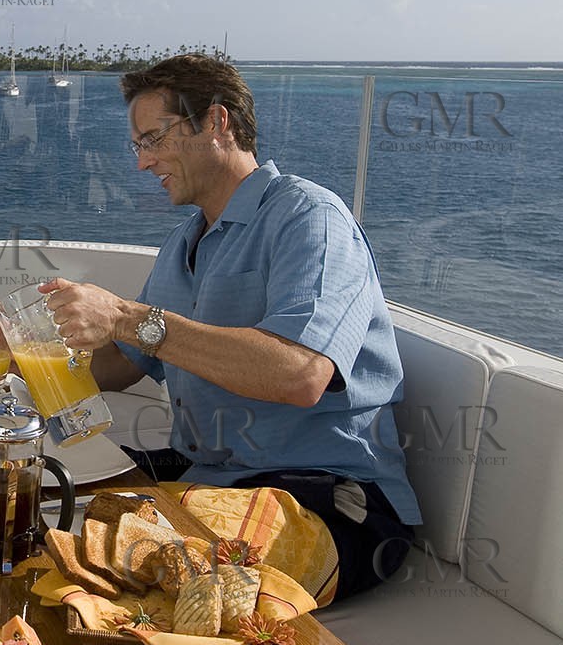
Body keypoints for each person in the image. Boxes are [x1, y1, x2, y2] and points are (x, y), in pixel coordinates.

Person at [40, 53, 420, 600]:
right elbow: (124, 364)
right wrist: (32, 351)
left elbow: (300, 373)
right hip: (213, 478)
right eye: (139, 144)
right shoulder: (184, 243)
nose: (143, 163)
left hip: (328, 498)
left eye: (155, 138)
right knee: (38, 501)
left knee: (129, 575)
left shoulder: (311, 218)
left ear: (217, 123)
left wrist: (124, 316)